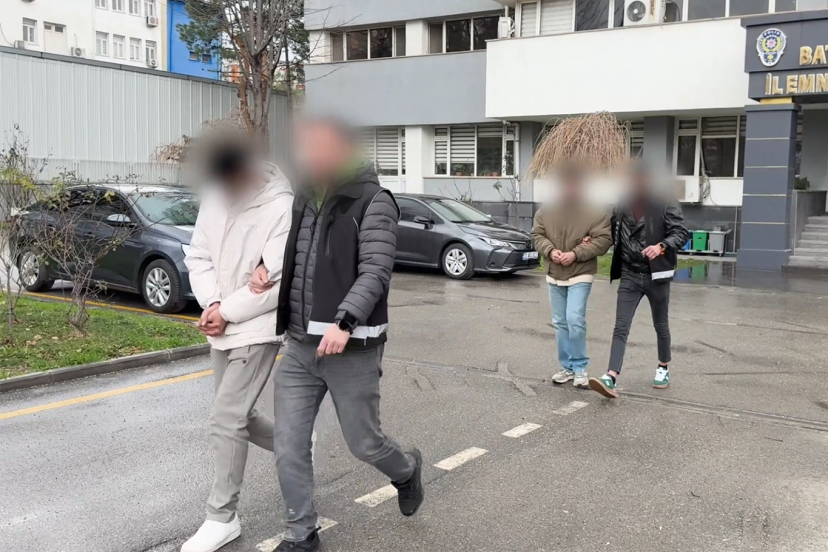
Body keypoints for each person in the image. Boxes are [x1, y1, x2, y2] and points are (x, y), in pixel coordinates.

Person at [252, 118, 423, 552]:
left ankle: (406, 471)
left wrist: (345, 322)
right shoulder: (305, 196)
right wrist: (262, 266)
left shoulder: (374, 201)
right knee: (289, 443)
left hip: (352, 347)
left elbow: (376, 271)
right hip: (299, 346)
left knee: (364, 443)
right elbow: (295, 253)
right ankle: (301, 534)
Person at [181, 137, 294, 552]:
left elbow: (276, 285)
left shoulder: (281, 207)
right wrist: (213, 302)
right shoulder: (215, 194)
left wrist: (227, 310)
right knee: (239, 416)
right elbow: (199, 256)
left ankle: (222, 517)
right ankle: (295, 445)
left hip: (258, 326)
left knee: (226, 419)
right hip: (222, 323)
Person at [589, 162, 690, 399]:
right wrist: (590, 238)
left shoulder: (665, 201)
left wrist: (661, 246)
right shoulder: (623, 202)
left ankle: (663, 367)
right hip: (630, 273)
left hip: (656, 275)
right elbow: (611, 229)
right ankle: (611, 376)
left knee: (660, 324)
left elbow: (681, 233)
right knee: (621, 326)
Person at [532, 166, 612, 389]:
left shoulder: (594, 212)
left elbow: (604, 240)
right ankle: (566, 367)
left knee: (574, 319)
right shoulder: (546, 211)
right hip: (554, 273)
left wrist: (576, 253)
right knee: (560, 323)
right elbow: (537, 235)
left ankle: (579, 368)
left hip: (580, 273)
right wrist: (550, 251)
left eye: (574, 184)